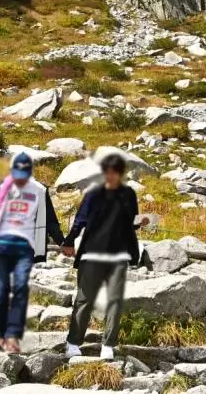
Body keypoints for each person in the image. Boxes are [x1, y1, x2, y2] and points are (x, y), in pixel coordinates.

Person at [0, 152, 64, 353]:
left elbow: (51, 221)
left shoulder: (40, 191)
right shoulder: (0, 188)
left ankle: (13, 336)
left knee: (21, 288)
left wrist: (64, 243)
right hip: (0, 246)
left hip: (25, 247)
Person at [63, 152, 148, 361]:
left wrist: (141, 222)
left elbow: (131, 222)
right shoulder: (93, 194)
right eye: (107, 172)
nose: (110, 176)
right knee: (85, 300)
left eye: (115, 172)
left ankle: (108, 345)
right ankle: (73, 342)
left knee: (115, 301)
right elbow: (80, 221)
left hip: (118, 255)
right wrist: (68, 241)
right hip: (92, 253)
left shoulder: (129, 195)